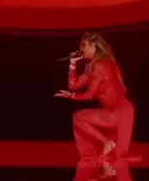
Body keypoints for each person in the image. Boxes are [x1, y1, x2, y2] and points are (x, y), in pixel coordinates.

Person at [56, 32, 136, 162]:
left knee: (119, 160)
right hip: (110, 113)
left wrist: (72, 96)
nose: (81, 49)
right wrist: (72, 63)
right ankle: (107, 141)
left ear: (93, 46)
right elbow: (73, 84)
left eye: (84, 45)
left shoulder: (101, 65)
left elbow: (89, 95)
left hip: (121, 112)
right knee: (78, 118)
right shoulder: (91, 68)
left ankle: (108, 143)